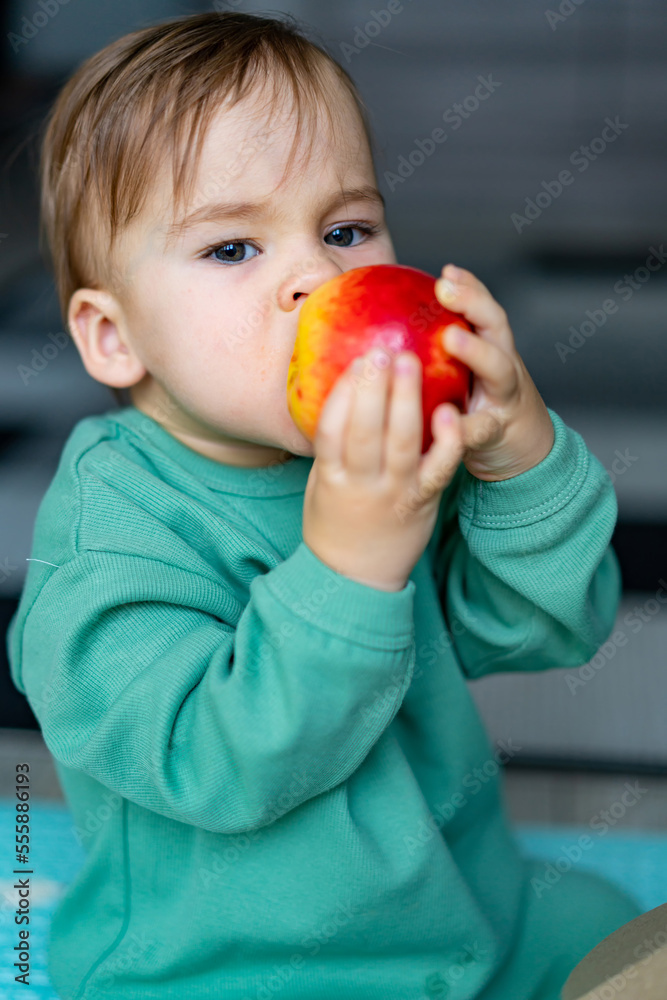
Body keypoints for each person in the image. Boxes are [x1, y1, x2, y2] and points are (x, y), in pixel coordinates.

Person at [6, 11, 642, 999]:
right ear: (111, 337)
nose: (318, 277)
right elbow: (219, 766)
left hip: (456, 907)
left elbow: (543, 626)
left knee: (600, 916)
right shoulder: (111, 542)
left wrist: (518, 461)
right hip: (236, 968)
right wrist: (350, 565)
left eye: (345, 229)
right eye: (231, 248)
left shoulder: (374, 449)